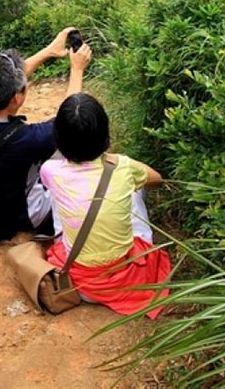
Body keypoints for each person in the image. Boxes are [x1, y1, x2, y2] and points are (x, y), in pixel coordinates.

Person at [0, 28, 92, 248]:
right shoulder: (26, 140)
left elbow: (9, 83)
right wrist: (77, 69)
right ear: (17, 98)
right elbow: (69, 122)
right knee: (70, 153)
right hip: (21, 214)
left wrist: (48, 52)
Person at [40, 93, 172, 319]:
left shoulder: (49, 170)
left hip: (78, 283)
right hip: (126, 279)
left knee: (58, 193)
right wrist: (115, 163)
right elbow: (157, 179)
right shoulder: (122, 166)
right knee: (134, 189)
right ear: (105, 135)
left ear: (59, 138)